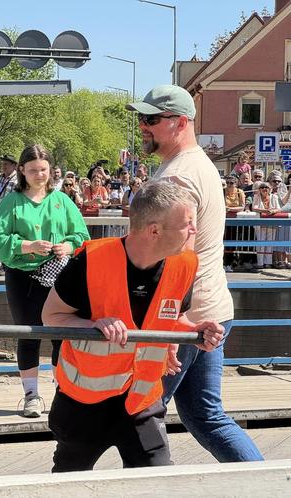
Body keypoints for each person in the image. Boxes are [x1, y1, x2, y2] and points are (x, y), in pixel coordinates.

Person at [42, 181, 224, 472]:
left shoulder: (185, 264)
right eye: (188, 224)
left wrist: (192, 331)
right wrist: (94, 324)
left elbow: (168, 316)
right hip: (84, 403)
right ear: (154, 231)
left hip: (142, 401)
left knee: (155, 481)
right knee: (69, 484)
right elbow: (51, 316)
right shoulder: (90, 261)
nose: (195, 230)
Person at [127, 84, 263, 462]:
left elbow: (177, 256)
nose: (143, 126)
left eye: (151, 119)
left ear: (180, 122)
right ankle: (265, 484)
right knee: (206, 416)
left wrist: (173, 326)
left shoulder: (178, 177)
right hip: (212, 309)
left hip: (186, 316)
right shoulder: (198, 164)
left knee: (141, 412)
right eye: (142, 118)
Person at [0, 144, 89, 418]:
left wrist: (67, 247)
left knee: (61, 335)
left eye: (43, 170)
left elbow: (81, 235)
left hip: (58, 274)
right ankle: (31, 395)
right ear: (22, 170)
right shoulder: (11, 202)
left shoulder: (62, 201)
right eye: (33, 170)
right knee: (29, 334)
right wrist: (28, 245)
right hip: (22, 277)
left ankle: (62, 391)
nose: (39, 175)